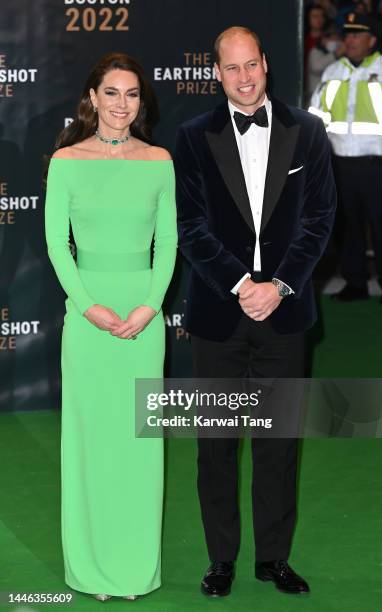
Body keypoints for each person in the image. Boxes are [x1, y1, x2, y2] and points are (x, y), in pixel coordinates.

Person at [174, 26, 336, 598]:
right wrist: (243, 284)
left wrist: (282, 285)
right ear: (216, 73)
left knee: (279, 444)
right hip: (221, 312)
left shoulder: (308, 132)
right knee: (214, 446)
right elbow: (189, 227)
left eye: (253, 65)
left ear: (266, 63)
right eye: (232, 68)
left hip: (285, 315)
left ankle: (274, 558)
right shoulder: (193, 137)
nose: (245, 78)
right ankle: (221, 560)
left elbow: (319, 221)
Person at [45, 53, 177, 600]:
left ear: (141, 102)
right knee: (91, 443)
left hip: (144, 319)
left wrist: (150, 306)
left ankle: (134, 568)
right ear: (92, 98)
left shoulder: (160, 159)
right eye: (112, 93)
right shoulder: (66, 160)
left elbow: (167, 242)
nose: (123, 104)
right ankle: (92, 569)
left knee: (137, 446)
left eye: (132, 94)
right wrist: (87, 305)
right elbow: (57, 244)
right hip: (88, 317)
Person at [309, 13, 382, 302]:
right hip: (340, 163)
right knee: (347, 226)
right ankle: (355, 282)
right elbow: (316, 117)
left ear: (373, 40)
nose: (350, 40)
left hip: (378, 164)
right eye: (348, 34)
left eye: (357, 34)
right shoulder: (332, 72)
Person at [305, 23, 345, 105]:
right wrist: (336, 54)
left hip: (336, 98)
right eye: (331, 38)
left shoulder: (343, 57)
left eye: (337, 38)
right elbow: (316, 67)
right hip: (316, 98)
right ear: (323, 39)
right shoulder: (316, 51)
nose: (334, 41)